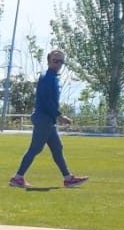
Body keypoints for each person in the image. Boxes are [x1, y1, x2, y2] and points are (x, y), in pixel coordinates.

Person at [10, 50, 89, 188]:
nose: (58, 64)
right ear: (48, 61)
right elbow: (47, 101)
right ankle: (17, 178)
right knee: (35, 149)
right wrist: (59, 116)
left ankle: (68, 178)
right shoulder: (47, 78)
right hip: (44, 118)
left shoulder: (52, 77)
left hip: (48, 119)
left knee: (57, 148)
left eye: (61, 61)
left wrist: (56, 116)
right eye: (55, 61)